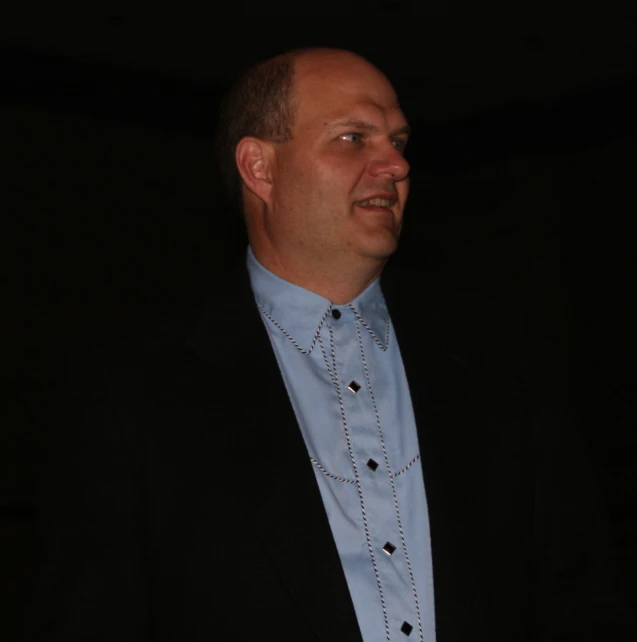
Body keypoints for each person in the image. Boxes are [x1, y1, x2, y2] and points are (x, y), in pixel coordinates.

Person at [28, 47, 633, 642]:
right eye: (353, 138)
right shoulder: (130, 388)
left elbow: (583, 601)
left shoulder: (501, 355)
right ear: (259, 168)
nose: (394, 165)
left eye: (397, 142)